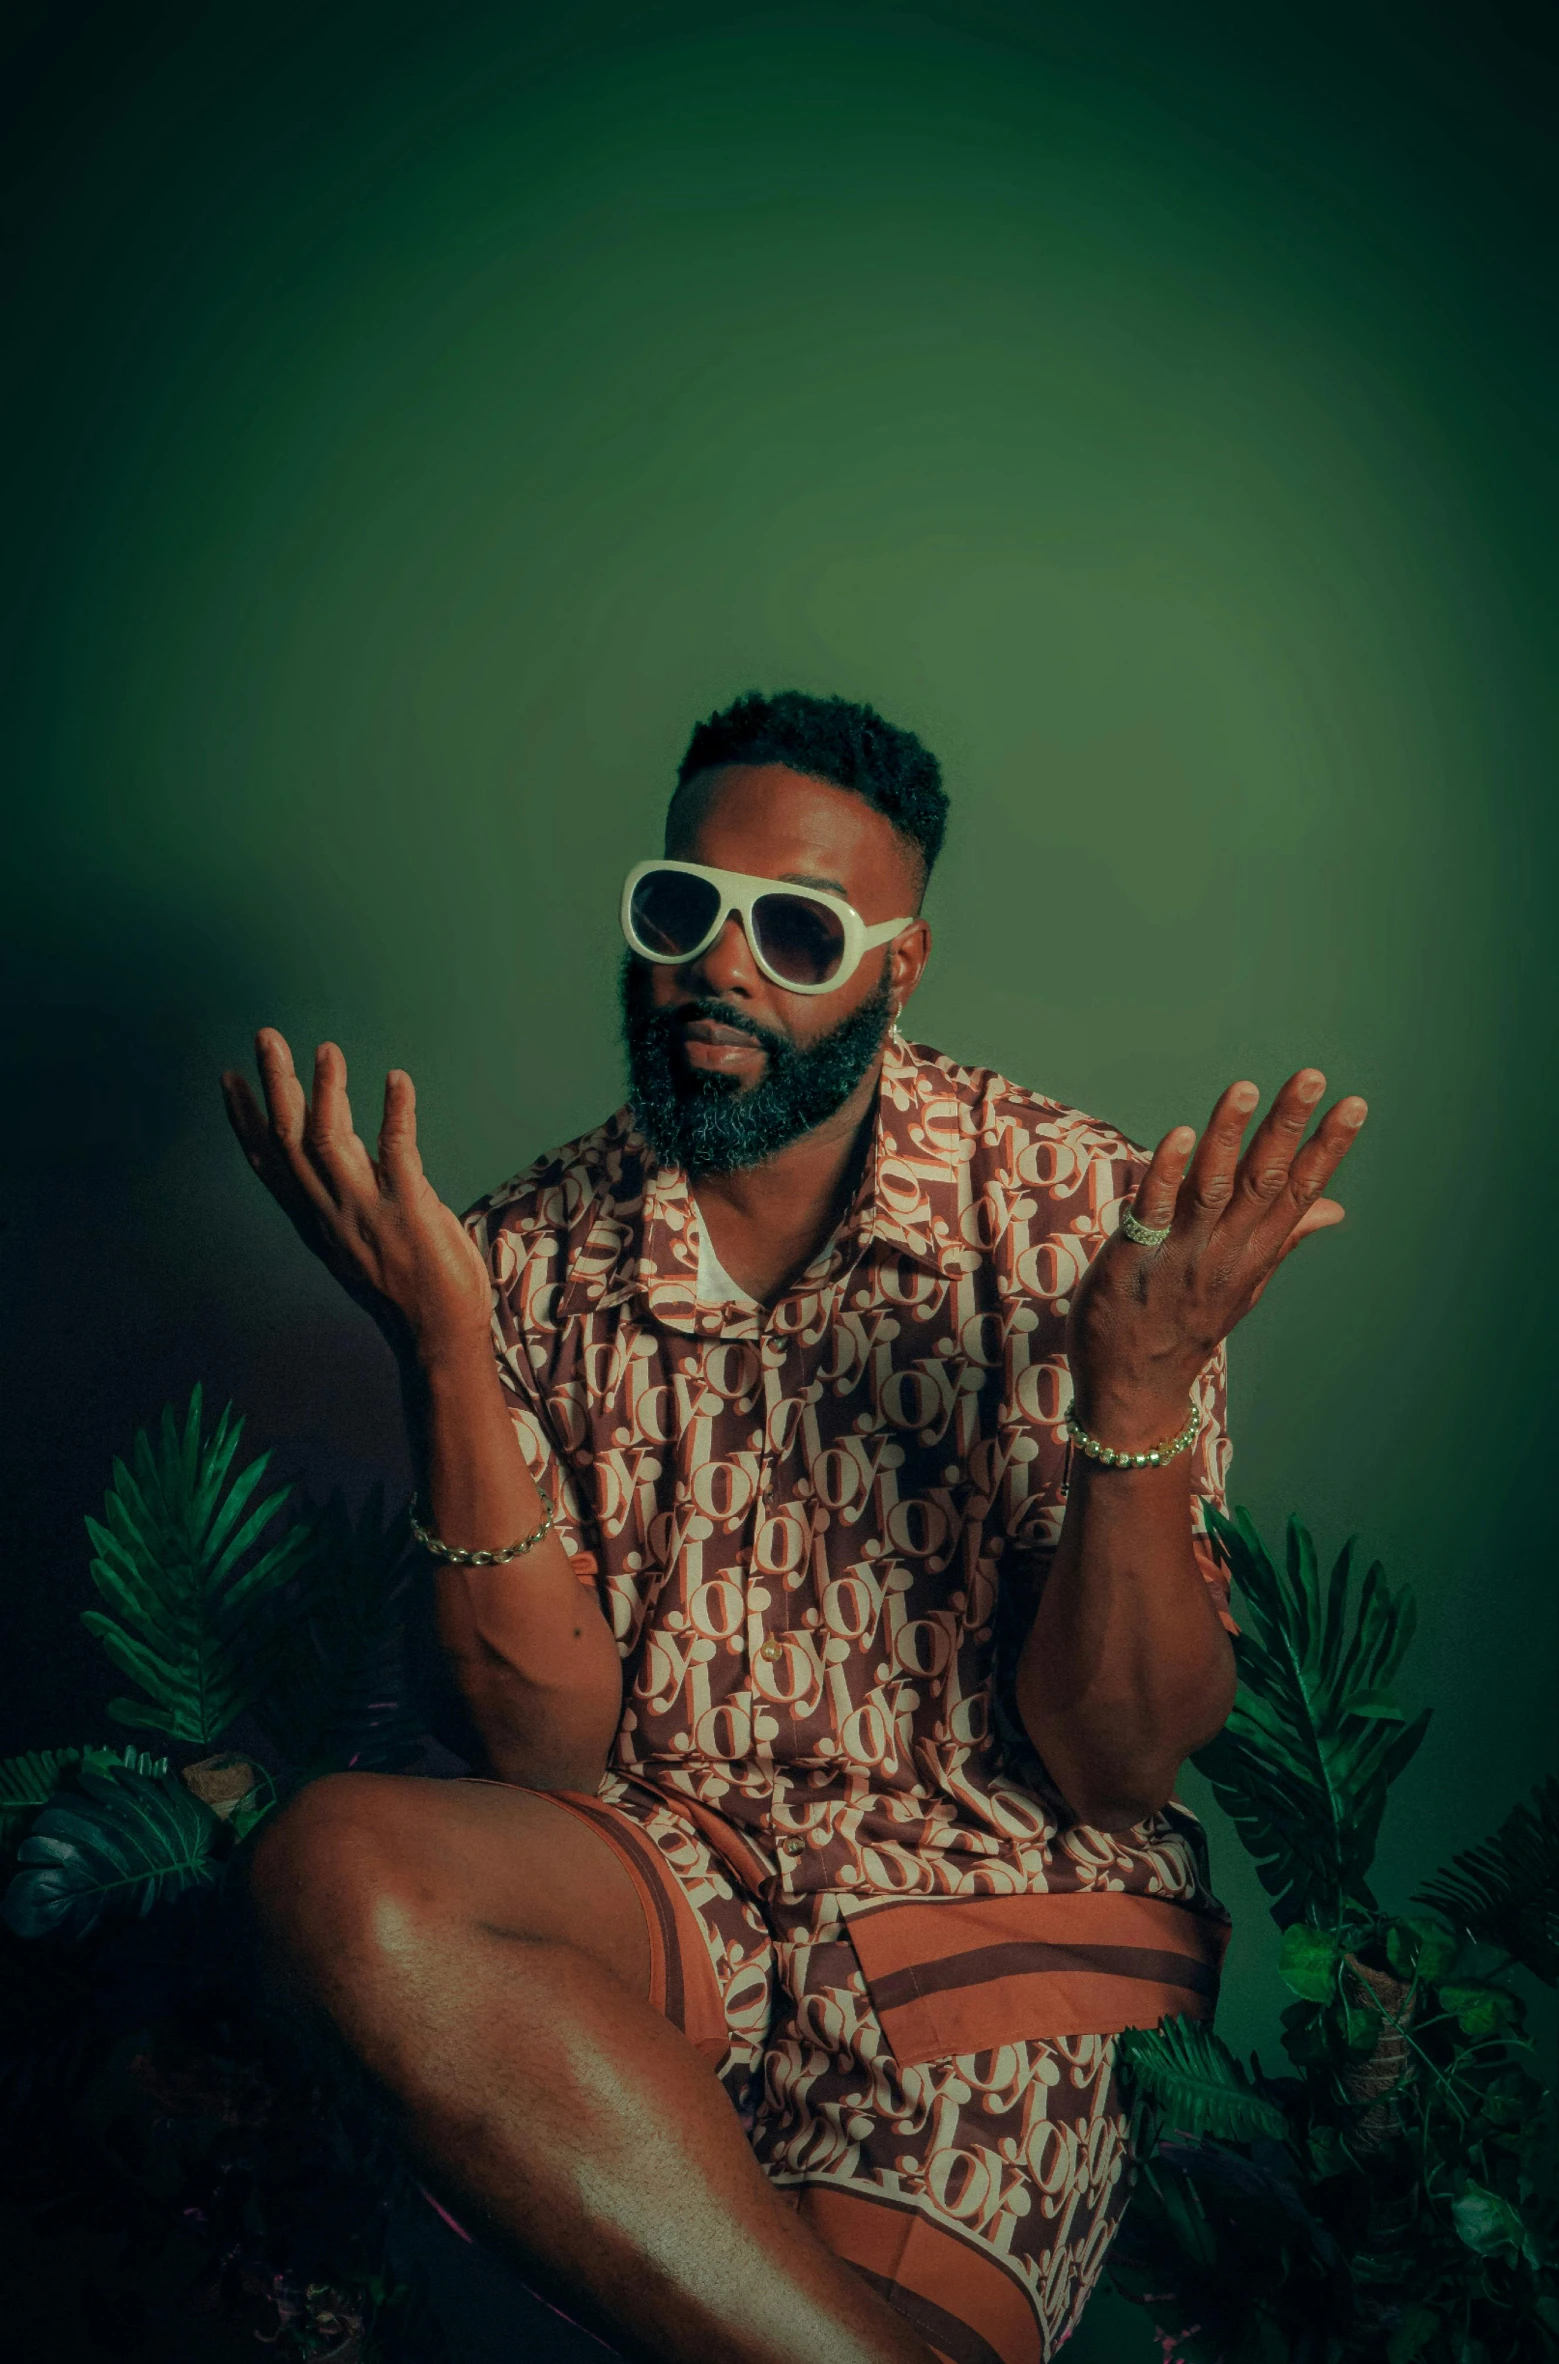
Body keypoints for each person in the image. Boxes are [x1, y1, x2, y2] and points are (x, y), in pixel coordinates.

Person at [222, 690, 1367, 2364]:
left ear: (899, 966)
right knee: (338, 1863)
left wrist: (1132, 1392)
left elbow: (1117, 1768)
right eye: (681, 908)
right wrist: (442, 1348)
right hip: (668, 1875)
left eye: (797, 927)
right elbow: (542, 1756)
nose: (721, 964)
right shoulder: (523, 1254)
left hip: (992, 1908)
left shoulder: (1071, 1213)